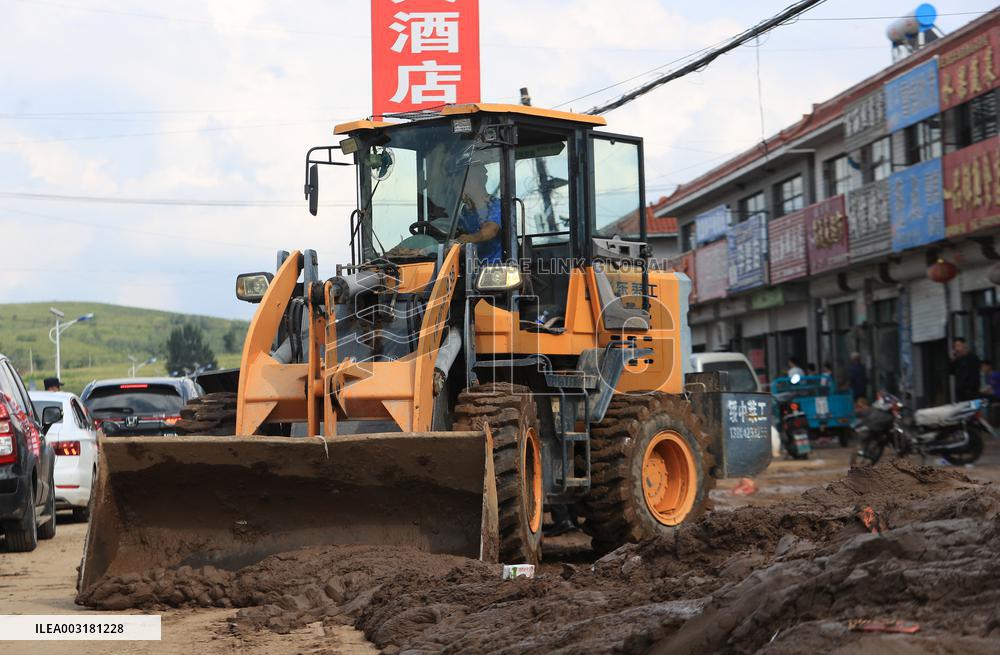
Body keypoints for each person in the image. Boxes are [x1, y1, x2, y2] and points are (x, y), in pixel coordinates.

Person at [456, 163, 502, 263]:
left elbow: (491, 229)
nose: (459, 188)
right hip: (470, 268)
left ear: (477, 182)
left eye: (464, 183)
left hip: (495, 269)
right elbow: (457, 235)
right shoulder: (465, 212)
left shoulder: (496, 205)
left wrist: (468, 239)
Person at [950, 337, 981, 402]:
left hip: (972, 393)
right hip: (961, 394)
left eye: (958, 345)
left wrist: (971, 388)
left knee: (975, 410)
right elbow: (951, 372)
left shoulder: (973, 357)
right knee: (963, 411)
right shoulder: (958, 360)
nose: (957, 348)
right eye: (955, 346)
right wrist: (952, 360)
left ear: (964, 345)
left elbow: (975, 375)